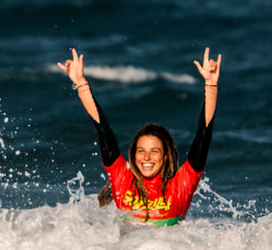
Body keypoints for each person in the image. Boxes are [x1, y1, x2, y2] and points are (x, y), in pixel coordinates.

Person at [58, 47, 222, 225]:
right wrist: (81, 83)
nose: (146, 157)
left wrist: (211, 86)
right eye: (141, 150)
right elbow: (102, 129)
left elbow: (203, 135)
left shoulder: (181, 186)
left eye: (154, 151)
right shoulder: (122, 179)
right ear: (134, 155)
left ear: (165, 156)